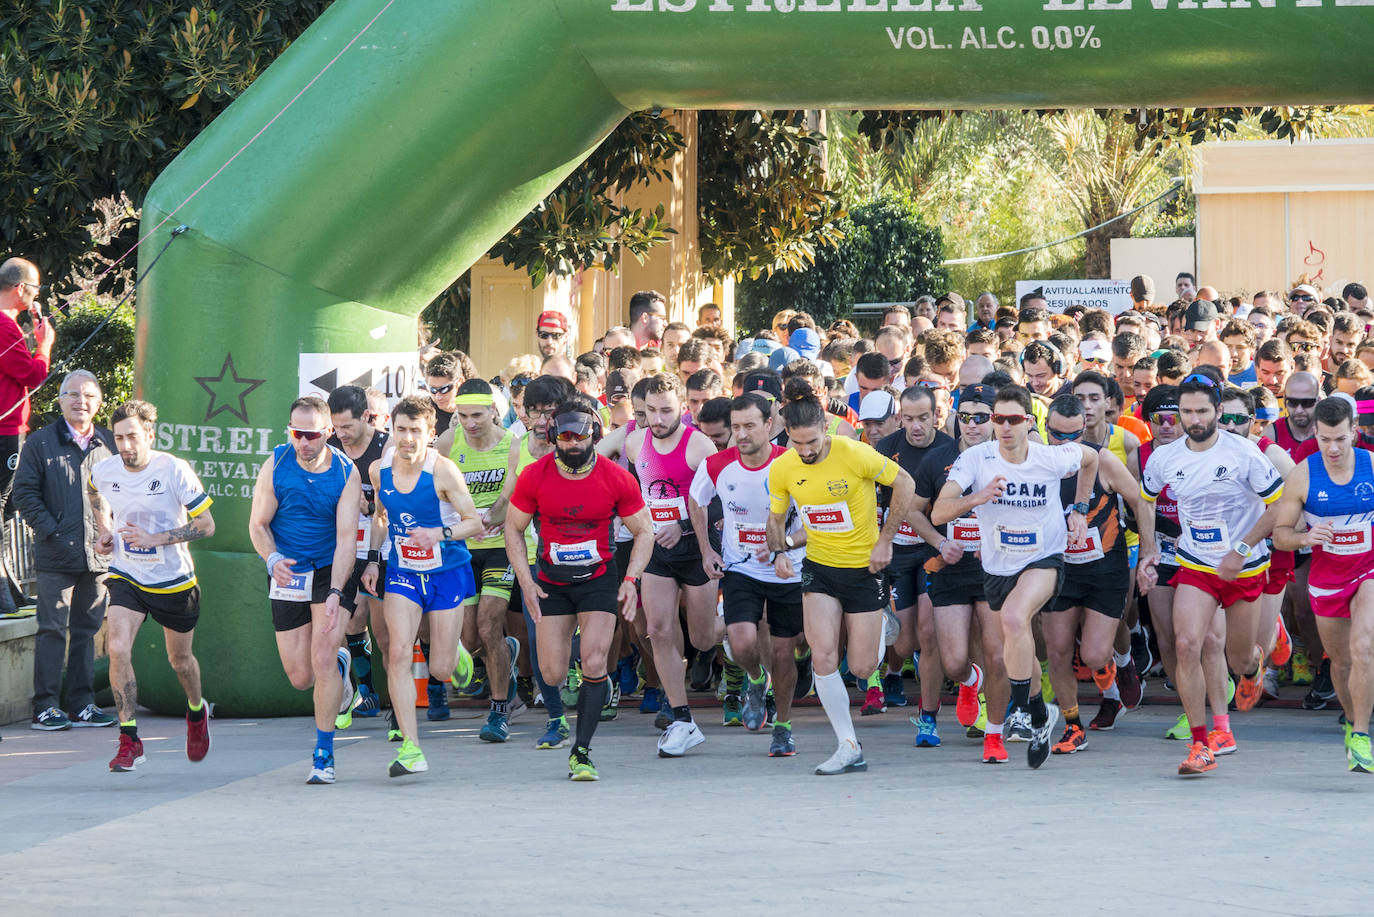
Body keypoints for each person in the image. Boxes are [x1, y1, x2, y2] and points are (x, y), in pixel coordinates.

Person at [932, 384, 1098, 769]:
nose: (1004, 427)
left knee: (1013, 618)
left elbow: (1091, 460)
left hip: (1044, 556)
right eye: (998, 419)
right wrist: (976, 498)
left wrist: (1080, 508)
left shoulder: (1051, 457)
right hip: (998, 565)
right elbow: (939, 512)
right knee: (1015, 636)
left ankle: (1020, 710)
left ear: (1029, 422)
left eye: (1013, 420)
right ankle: (1040, 714)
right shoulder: (976, 459)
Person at [767, 382, 916, 776]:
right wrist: (780, 552)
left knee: (864, 668)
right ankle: (848, 745)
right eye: (796, 443)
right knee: (824, 655)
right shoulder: (783, 466)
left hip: (865, 569)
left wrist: (886, 541)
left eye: (812, 441)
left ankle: (882, 620)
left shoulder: (854, 453)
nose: (805, 451)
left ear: (826, 428)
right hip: (819, 569)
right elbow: (777, 519)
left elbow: (906, 483)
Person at [1138, 374, 1283, 777]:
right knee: (1187, 644)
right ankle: (1201, 744)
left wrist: (1240, 549)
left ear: (1219, 411)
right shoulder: (1165, 457)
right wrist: (1148, 551)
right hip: (1196, 564)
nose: (1194, 419)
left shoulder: (1245, 453)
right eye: (1186, 411)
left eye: (1202, 411)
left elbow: (1278, 507)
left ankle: (1257, 659)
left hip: (1245, 567)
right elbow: (1144, 499)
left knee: (1237, 659)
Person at [506, 396, 653, 780]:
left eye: (580, 437)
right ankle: (574, 655)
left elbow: (644, 531)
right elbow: (513, 529)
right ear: (554, 437)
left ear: (594, 436)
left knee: (593, 661)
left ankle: (581, 752)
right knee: (552, 675)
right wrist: (525, 580)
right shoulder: (535, 475)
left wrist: (631, 580)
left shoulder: (616, 477)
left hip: (599, 579)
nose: (573, 445)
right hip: (551, 582)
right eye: (565, 438)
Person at [86, 400, 214, 772]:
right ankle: (129, 739)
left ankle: (196, 712)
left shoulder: (174, 469)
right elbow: (95, 493)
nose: (125, 445)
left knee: (180, 662)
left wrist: (156, 538)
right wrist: (105, 530)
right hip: (127, 575)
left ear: (150, 434)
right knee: (117, 647)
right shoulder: (106, 470)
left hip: (174, 581)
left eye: (132, 437)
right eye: (119, 437)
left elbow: (206, 525)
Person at [362, 396, 482, 778]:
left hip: (447, 571)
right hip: (403, 572)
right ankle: (412, 748)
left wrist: (439, 533)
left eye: (416, 431)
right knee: (398, 652)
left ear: (431, 434)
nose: (408, 439)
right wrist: (373, 558)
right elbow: (381, 517)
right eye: (401, 430)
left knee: (441, 669)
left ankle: (459, 658)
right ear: (392, 431)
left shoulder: (443, 471)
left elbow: (474, 523)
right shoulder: (380, 471)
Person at [249, 396, 363, 784]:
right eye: (297, 433)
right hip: (286, 572)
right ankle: (342, 666)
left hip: (331, 568)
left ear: (328, 433)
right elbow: (258, 525)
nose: (304, 442)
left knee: (323, 656)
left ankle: (323, 754)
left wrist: (335, 591)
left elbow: (348, 540)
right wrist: (271, 559)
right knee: (300, 676)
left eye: (312, 434)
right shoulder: (276, 464)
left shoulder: (346, 472)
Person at [690, 392, 806, 754]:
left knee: (785, 654)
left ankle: (783, 727)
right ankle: (756, 680)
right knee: (741, 643)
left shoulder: (792, 464)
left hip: (788, 571)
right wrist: (706, 549)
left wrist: (782, 543)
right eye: (735, 427)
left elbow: (813, 521)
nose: (741, 434)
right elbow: (696, 500)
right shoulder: (716, 464)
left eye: (749, 426)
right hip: (740, 568)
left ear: (770, 425)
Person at [1272, 397, 1374, 772]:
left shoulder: (1371, 467)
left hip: (1369, 570)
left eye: (1341, 440)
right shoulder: (1303, 474)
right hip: (1328, 579)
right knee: (1342, 662)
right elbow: (1281, 535)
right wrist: (1306, 538)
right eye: (1325, 439)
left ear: (1354, 432)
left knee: (1364, 646)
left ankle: (1362, 735)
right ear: (1315, 433)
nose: (1332, 448)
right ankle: (1352, 721)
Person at [1040, 395, 1142, 755]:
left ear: (1084, 430)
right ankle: (1072, 726)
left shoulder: (1103, 460)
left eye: (1073, 436)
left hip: (1104, 570)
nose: (1066, 445)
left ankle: (1118, 667)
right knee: (1058, 650)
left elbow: (1141, 501)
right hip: (1059, 571)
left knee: (1097, 654)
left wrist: (1150, 552)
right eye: (1057, 435)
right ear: (1046, 428)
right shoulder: (1039, 463)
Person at [14, 370, 115, 730]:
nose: (80, 401)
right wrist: (52, 530)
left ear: (98, 402)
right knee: (52, 629)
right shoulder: (41, 443)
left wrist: (112, 532)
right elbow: (24, 494)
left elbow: (121, 493)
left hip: (99, 555)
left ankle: (82, 703)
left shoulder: (109, 443)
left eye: (88, 395)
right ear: (59, 400)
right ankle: (45, 706)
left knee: (88, 630)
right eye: (72, 394)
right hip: (56, 553)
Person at [624, 373, 719, 755]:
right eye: (651, 411)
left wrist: (681, 526)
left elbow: (717, 502)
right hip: (657, 552)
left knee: (701, 638)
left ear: (682, 407)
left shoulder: (700, 446)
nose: (659, 419)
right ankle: (682, 718)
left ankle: (738, 631)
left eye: (667, 410)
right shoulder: (634, 443)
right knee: (659, 630)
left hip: (696, 549)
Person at [915, 384, 1007, 762]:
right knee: (953, 661)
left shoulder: (1009, 457)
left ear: (995, 420)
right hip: (951, 567)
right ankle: (971, 684)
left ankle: (997, 732)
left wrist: (1001, 541)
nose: (971, 425)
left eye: (980, 418)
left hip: (994, 569)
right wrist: (939, 543)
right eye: (964, 417)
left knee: (996, 652)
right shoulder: (938, 460)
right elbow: (914, 511)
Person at [435, 378, 522, 742]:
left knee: (489, 625)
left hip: (499, 547)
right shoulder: (446, 443)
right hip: (460, 550)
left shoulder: (511, 444)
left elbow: (513, 496)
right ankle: (506, 659)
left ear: (493, 412)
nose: (470, 423)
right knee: (468, 640)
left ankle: (500, 710)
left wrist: (493, 518)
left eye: (477, 415)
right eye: (462, 415)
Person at [499, 374, 577, 748]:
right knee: (540, 639)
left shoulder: (578, 443)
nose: (543, 421)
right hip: (536, 560)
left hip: (584, 555)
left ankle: (592, 681)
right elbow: (508, 497)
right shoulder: (521, 446)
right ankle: (556, 716)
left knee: (584, 642)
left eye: (551, 412)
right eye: (535, 412)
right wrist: (484, 519)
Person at [873, 385, 954, 739]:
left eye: (923, 418)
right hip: (899, 552)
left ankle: (928, 715)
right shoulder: (886, 450)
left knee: (929, 630)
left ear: (937, 415)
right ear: (898, 418)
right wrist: (879, 543)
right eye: (908, 419)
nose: (916, 426)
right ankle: (921, 661)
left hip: (935, 550)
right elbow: (873, 503)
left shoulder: (950, 450)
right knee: (904, 644)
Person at [326, 385, 389, 722]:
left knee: (385, 630)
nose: (341, 435)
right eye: (336, 427)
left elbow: (387, 508)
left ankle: (425, 688)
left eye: (347, 427)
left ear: (366, 417)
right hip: (347, 543)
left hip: (384, 543)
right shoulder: (331, 447)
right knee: (352, 617)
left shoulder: (386, 446)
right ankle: (365, 691)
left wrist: (372, 506)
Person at [0, 258, 55, 614]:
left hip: (9, 429)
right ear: (21, 289)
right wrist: (45, 344)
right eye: (34, 289)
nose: (36, 296)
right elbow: (32, 375)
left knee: (6, 510)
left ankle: (9, 592)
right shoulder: (4, 327)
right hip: (5, 431)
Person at [424, 352, 463, 436]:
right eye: (433, 389)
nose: (438, 396)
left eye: (444, 389)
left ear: (459, 382)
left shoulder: (473, 413)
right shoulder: (423, 412)